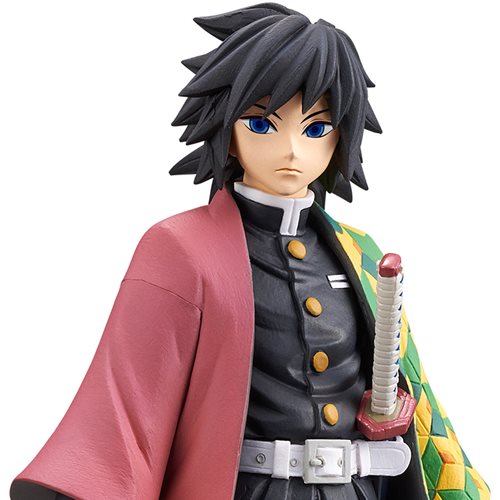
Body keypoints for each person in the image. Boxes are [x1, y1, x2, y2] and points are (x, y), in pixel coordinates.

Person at [10, 3, 489, 499]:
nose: (292, 149)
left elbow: (419, 403)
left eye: (315, 128)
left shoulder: (362, 254)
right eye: (262, 124)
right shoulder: (181, 248)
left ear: (340, 138)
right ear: (228, 130)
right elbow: (125, 407)